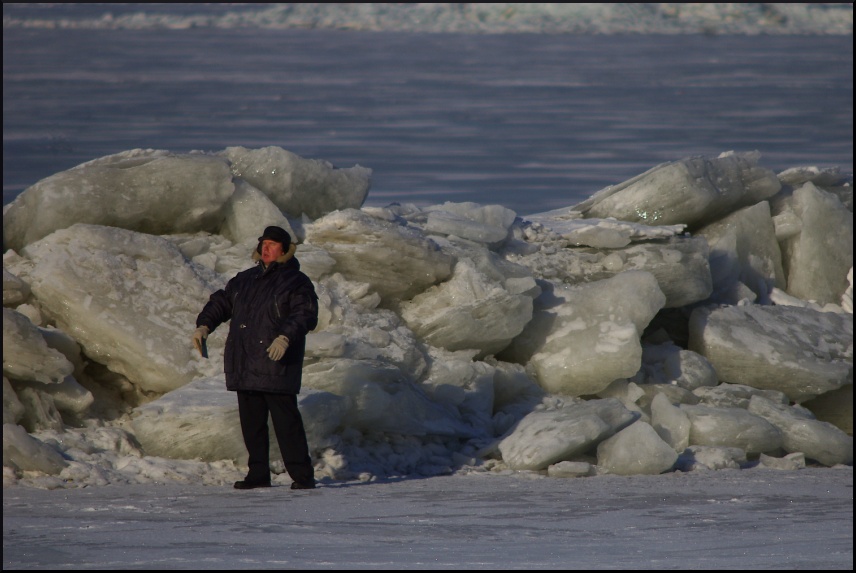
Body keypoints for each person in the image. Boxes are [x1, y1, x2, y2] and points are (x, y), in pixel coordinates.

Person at [192, 226, 319, 490]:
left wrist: (285, 337)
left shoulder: (296, 281)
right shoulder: (244, 279)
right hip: (246, 361)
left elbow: (304, 314)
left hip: (276, 363)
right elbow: (223, 303)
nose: (266, 248)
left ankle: (302, 476)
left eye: (272, 244)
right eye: (263, 243)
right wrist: (204, 325)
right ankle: (258, 474)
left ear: (284, 250)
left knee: (287, 424)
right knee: (252, 425)